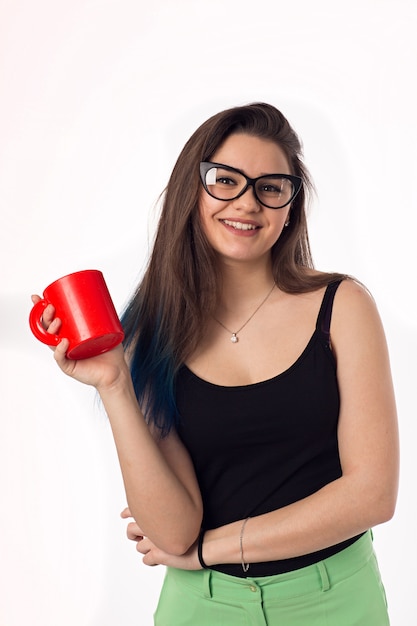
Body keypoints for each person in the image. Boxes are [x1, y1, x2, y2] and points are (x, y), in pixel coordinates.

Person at [32, 103, 399, 625]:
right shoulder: (151, 336)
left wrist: (209, 550)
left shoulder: (342, 307)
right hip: (202, 607)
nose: (247, 203)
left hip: (335, 598)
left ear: (290, 206)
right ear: (193, 190)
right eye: (225, 180)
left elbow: (371, 495)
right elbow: (175, 530)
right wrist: (116, 382)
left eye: (271, 187)